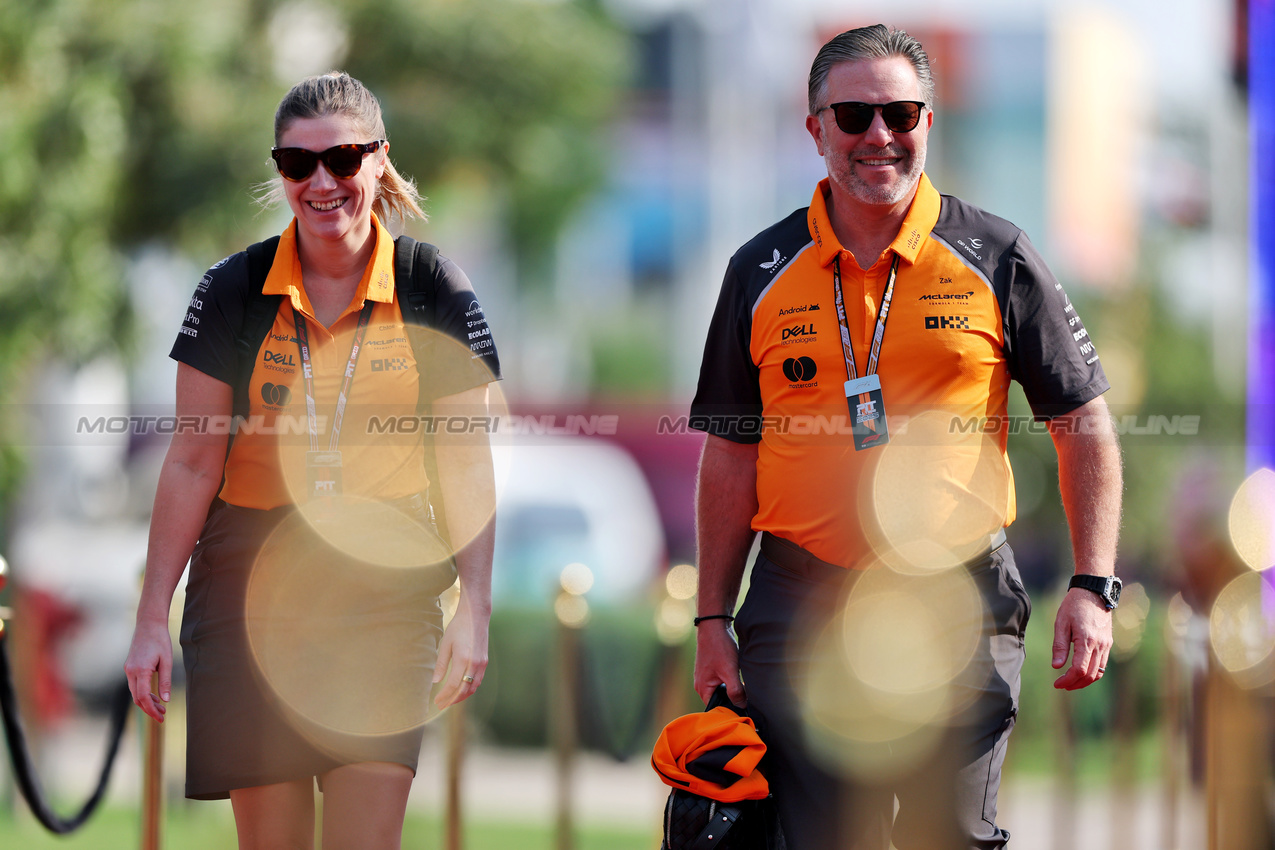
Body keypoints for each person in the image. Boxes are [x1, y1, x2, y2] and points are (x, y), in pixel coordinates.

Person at [689, 25, 1122, 850]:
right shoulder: (758, 268)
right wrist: (713, 618)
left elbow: (1082, 424)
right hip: (801, 602)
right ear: (813, 127)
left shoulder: (997, 256)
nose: (878, 135)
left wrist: (1092, 584)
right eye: (852, 114)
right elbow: (729, 454)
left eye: (900, 112)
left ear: (930, 121)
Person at [124, 72, 500, 849]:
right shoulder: (232, 291)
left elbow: (463, 459)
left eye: (343, 160)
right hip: (250, 587)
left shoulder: (433, 286)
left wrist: (476, 607)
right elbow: (193, 462)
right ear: (280, 173)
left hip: (385, 589)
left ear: (379, 160)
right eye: (298, 165)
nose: (322, 183)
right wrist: (150, 618)